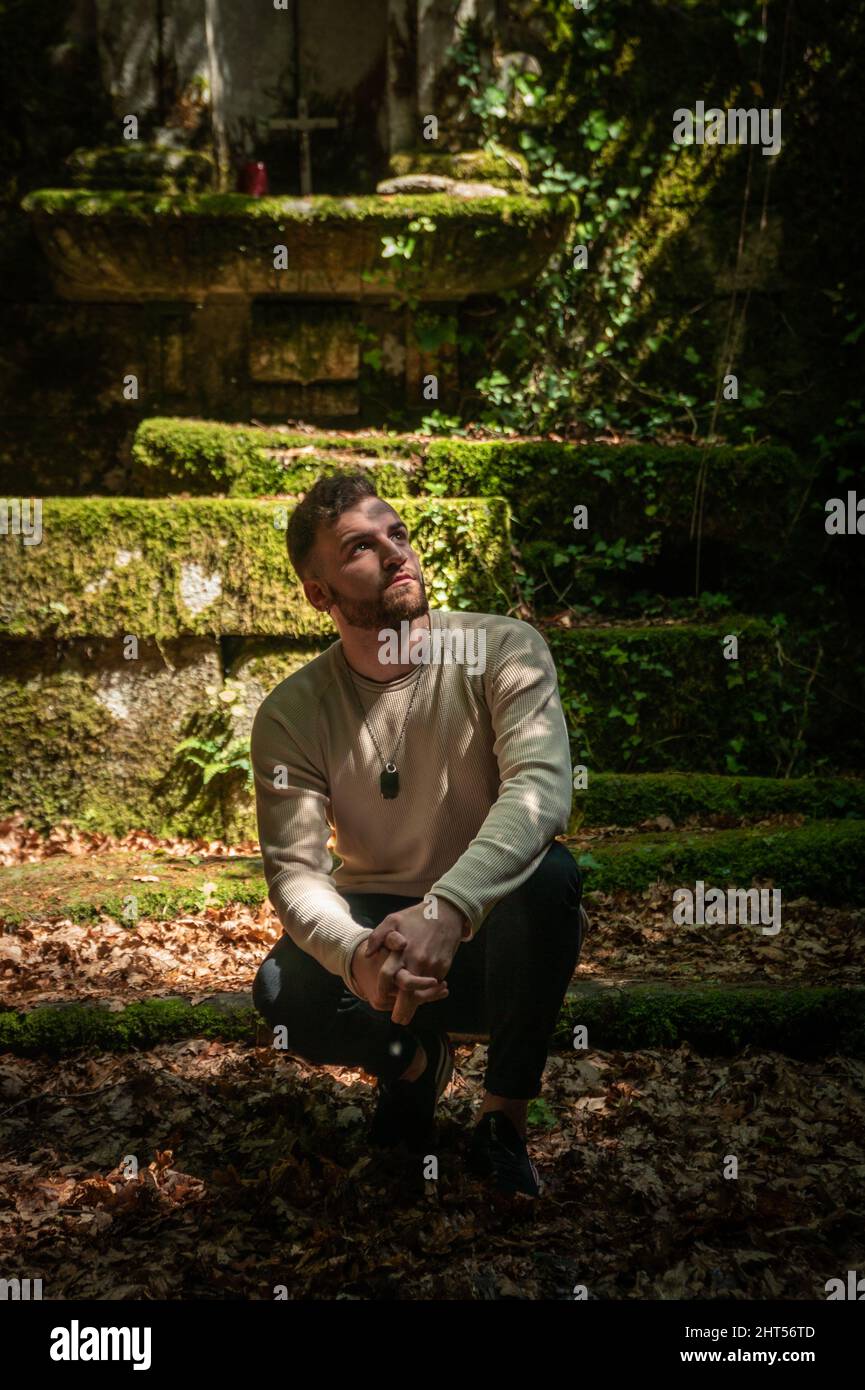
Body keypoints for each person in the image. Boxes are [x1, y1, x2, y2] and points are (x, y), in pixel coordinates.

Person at [250, 471, 583, 1196]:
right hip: (382, 927)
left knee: (551, 877)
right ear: (320, 594)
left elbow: (539, 792)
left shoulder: (504, 648)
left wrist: (450, 906)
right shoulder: (292, 711)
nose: (397, 553)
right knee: (281, 988)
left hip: (488, 925)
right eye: (361, 549)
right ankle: (414, 1063)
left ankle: (502, 1120)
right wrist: (356, 956)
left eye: (397, 534)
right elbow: (296, 873)